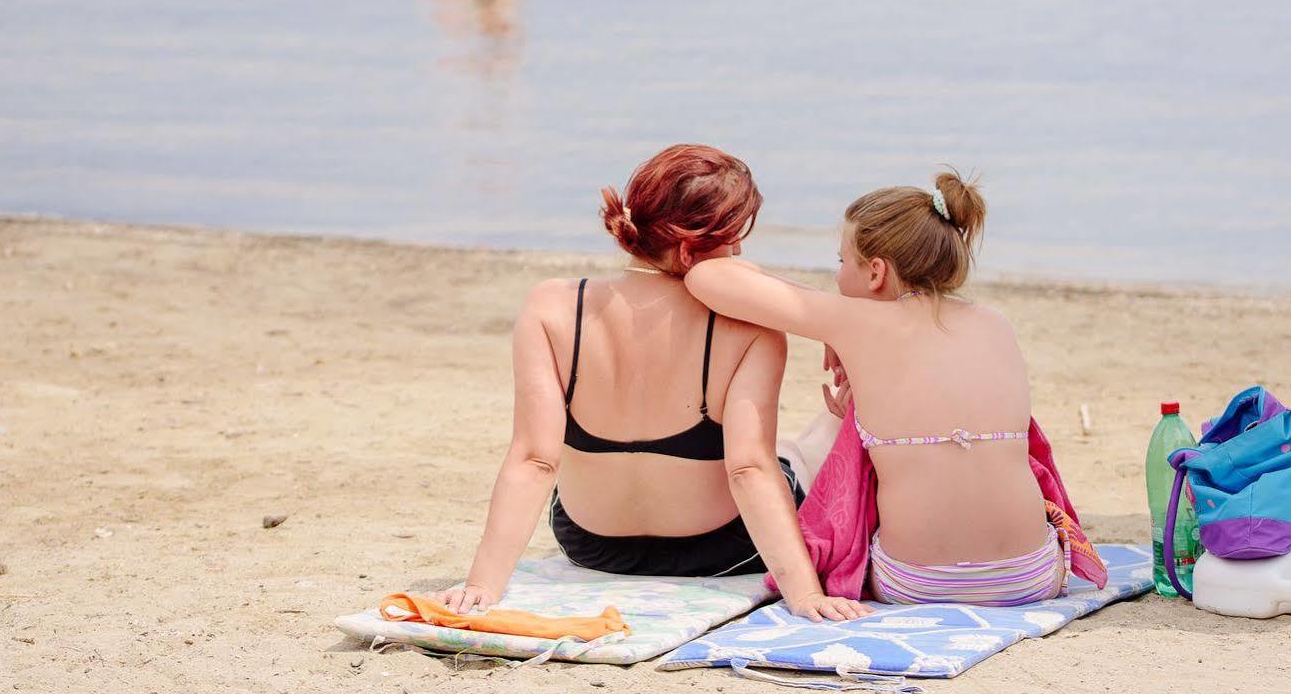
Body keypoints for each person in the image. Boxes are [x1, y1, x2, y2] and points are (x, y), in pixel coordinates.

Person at [437, 145, 867, 622]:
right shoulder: (750, 327)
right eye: (733, 239)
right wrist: (805, 596)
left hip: (592, 547)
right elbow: (749, 471)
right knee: (811, 443)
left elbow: (534, 459)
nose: (741, 252)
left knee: (791, 446)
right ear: (689, 251)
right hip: (725, 552)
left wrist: (482, 584)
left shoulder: (552, 307)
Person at [685, 173, 1070, 609]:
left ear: (876, 272)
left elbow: (709, 276)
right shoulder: (996, 323)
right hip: (1031, 578)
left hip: (913, 584)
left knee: (842, 430)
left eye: (841, 261)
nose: (837, 277)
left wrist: (832, 324)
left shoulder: (855, 323)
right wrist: (835, 328)